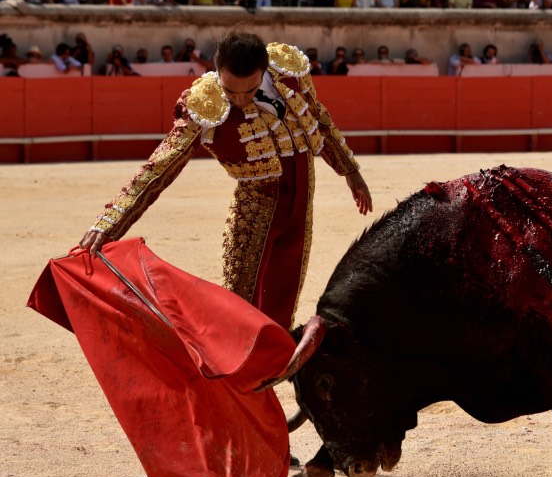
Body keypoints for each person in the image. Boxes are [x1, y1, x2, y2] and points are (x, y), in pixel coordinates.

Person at [78, 31, 373, 336]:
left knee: (284, 294)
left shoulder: (289, 73)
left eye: (250, 89)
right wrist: (111, 222)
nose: (240, 100)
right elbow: (160, 167)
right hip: (257, 207)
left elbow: (318, 119)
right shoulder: (205, 102)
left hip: (301, 202)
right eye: (231, 92)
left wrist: (349, 169)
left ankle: (271, 359)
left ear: (265, 69)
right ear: (217, 70)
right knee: (240, 298)